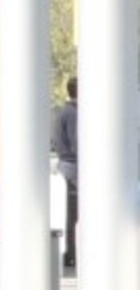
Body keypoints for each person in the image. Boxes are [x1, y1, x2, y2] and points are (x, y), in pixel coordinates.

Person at [57, 76, 80, 270]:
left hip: (66, 167)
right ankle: (72, 253)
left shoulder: (64, 112)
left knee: (70, 214)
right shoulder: (73, 114)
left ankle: (71, 252)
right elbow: (76, 143)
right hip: (74, 169)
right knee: (74, 214)